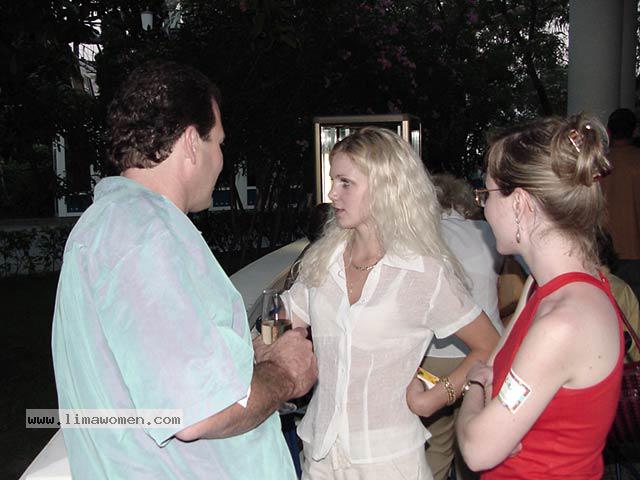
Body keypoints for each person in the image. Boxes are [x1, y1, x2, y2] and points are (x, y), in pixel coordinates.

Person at [51, 60, 317, 479]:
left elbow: (158, 366)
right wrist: (285, 372)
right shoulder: (143, 235)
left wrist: (246, 360)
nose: (221, 159)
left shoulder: (109, 226)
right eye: (219, 143)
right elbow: (196, 413)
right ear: (192, 142)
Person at [283, 127, 500, 479]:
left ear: (385, 187)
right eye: (334, 181)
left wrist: (437, 397)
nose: (332, 193)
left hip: (389, 461)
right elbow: (284, 320)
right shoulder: (323, 260)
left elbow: (489, 345)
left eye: (345, 182)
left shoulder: (421, 272)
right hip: (320, 456)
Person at [455, 114, 624, 479]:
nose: (484, 208)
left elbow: (477, 449)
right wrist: (486, 393)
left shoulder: (564, 322)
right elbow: (494, 367)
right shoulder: (543, 287)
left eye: (486, 194)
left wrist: (475, 387)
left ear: (520, 203)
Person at [422, 173, 504, 480]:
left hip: (433, 357)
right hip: (486, 354)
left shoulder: (420, 236)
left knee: (435, 447)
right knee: (475, 447)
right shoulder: (489, 233)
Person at [600, 108, 640, 302]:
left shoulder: (599, 165)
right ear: (634, 131)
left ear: (608, 132)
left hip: (606, 251)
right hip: (635, 251)